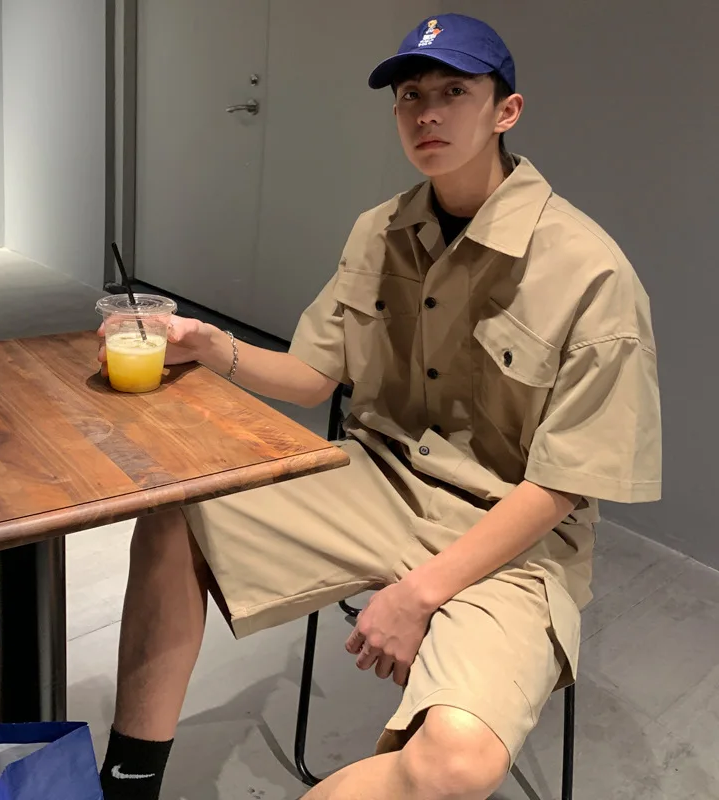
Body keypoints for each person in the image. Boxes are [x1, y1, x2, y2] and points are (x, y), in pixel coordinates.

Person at [97, 12, 662, 800]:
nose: (426, 113)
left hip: (514, 534)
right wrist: (209, 345)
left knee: (455, 764)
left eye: (453, 92)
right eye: (410, 96)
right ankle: (126, 784)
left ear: (506, 111)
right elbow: (311, 375)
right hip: (375, 481)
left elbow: (566, 481)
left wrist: (420, 593)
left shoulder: (589, 271)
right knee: (175, 515)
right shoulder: (381, 231)